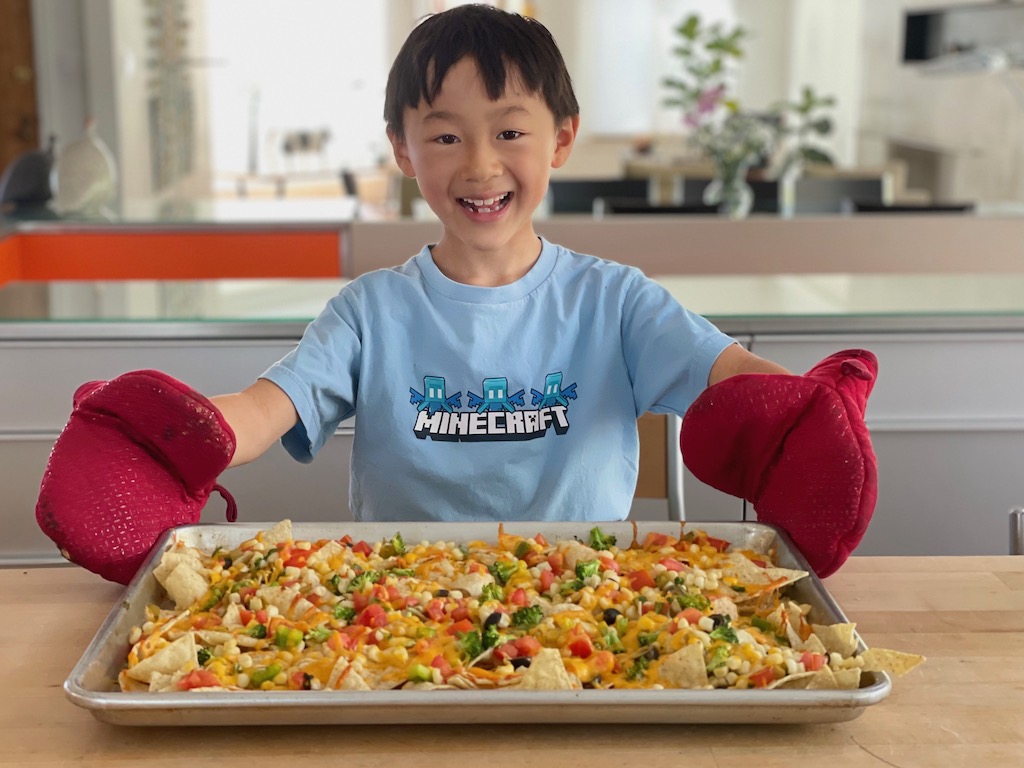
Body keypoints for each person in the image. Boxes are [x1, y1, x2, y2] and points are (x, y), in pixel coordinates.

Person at [36, 4, 877, 586]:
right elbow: (266, 410)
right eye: (444, 135)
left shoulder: (617, 302)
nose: (479, 165)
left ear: (563, 140)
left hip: (589, 601)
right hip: (392, 606)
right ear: (403, 150)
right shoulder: (368, 311)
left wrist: (806, 411)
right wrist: (181, 438)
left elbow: (732, 376)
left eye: (510, 131)